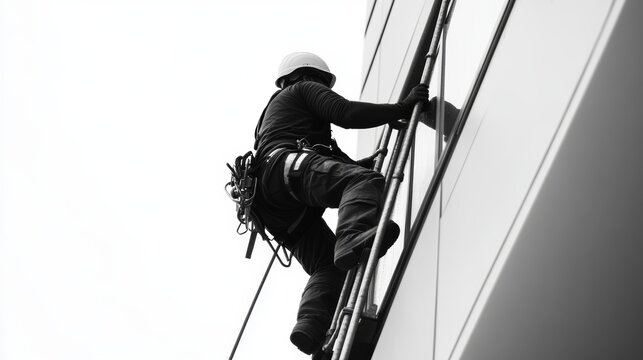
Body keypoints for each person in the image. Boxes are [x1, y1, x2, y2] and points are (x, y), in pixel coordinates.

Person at [252, 52, 455, 357]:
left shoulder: (280, 114)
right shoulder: (303, 89)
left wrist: (360, 164)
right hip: (284, 169)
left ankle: (311, 327)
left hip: (272, 202)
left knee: (326, 265)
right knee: (362, 182)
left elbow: (327, 164)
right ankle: (352, 238)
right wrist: (400, 108)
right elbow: (345, 113)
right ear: (312, 77)